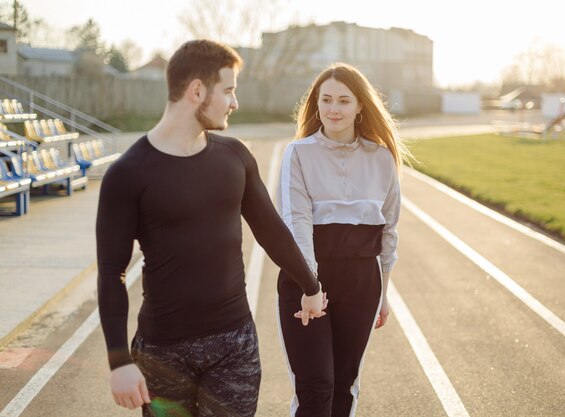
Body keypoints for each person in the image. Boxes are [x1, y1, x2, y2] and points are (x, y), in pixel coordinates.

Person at [96, 39, 325, 417]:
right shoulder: (128, 174)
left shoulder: (234, 157)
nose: (235, 102)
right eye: (229, 90)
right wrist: (119, 362)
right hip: (162, 354)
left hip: (233, 345)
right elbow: (111, 271)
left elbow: (270, 231)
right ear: (197, 91)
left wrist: (311, 286)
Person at [276, 63, 408, 417]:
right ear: (316, 105)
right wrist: (310, 286)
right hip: (306, 280)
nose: (334, 109)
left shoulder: (382, 158)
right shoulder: (298, 153)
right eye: (327, 100)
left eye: (344, 101)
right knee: (315, 387)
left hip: (362, 283)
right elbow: (297, 222)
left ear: (360, 106)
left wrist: (383, 294)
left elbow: (389, 232)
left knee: (344, 383)